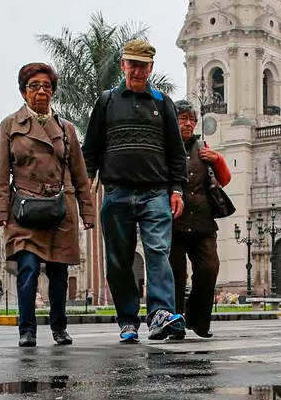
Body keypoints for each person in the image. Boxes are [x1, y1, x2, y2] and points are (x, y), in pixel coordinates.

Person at [82, 39, 188, 343]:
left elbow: (175, 152)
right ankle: (128, 320)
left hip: (155, 192)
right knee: (118, 259)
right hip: (116, 192)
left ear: (151, 68)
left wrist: (177, 189)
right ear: (123, 65)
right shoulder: (106, 102)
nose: (137, 70)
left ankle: (160, 315)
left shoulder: (162, 103)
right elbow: (91, 148)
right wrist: (88, 184)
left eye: (143, 65)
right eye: (132, 64)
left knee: (158, 252)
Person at [0, 63, 96, 348]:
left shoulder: (66, 129)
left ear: (53, 92)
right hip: (24, 208)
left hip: (59, 208)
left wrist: (87, 212)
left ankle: (59, 327)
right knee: (27, 268)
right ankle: (27, 330)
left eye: (46, 86)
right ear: (23, 91)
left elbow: (80, 173)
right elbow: (1, 173)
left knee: (59, 272)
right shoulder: (9, 125)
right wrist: (0, 211)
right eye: (34, 86)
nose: (41, 91)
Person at [166, 100, 231, 340]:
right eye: (183, 119)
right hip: (174, 221)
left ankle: (198, 319)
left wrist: (218, 160)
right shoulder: (166, 148)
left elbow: (223, 180)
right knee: (176, 274)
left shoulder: (203, 147)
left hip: (203, 220)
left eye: (192, 120)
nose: (188, 124)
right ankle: (175, 322)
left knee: (209, 268)